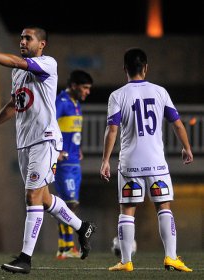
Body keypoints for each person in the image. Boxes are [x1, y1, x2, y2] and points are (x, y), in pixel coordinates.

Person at [0, 26, 96, 274]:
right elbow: (15, 105)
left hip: (45, 140)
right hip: (25, 142)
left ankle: (25, 259)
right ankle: (82, 227)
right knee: (44, 199)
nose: (22, 41)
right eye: (21, 37)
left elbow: (15, 61)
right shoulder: (18, 72)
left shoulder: (48, 63)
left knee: (31, 197)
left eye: (28, 38)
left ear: (41, 44)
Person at [100, 48, 193, 272]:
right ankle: (171, 257)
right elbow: (177, 123)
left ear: (125, 69)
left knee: (127, 211)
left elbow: (112, 130)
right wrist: (186, 148)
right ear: (146, 68)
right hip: (157, 164)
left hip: (130, 164)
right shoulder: (160, 92)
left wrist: (105, 160)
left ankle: (125, 261)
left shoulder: (118, 95)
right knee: (164, 208)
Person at [54, 70, 93, 259]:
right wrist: (57, 150)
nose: (87, 92)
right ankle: (66, 247)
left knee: (72, 205)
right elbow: (49, 125)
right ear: (75, 86)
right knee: (69, 204)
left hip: (74, 162)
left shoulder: (76, 104)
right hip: (63, 164)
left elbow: (71, 131)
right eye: (85, 88)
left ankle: (65, 248)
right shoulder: (61, 102)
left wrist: (78, 147)